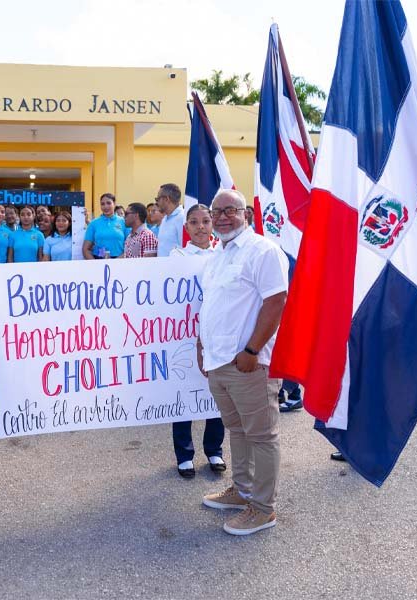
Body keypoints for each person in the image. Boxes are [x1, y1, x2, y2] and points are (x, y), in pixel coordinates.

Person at [198, 189, 288, 536]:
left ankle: (263, 509)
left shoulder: (262, 251)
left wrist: (252, 351)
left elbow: (276, 301)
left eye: (229, 211)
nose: (221, 217)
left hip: (248, 363)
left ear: (245, 213)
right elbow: (215, 304)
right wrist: (201, 344)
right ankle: (242, 490)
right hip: (219, 361)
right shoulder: (218, 255)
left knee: (261, 435)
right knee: (237, 430)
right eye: (215, 211)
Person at [169, 204, 226, 477]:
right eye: (194, 222)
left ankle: (214, 450)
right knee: (184, 392)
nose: (201, 227)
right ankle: (184, 454)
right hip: (185, 334)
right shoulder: (177, 255)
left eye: (205, 221)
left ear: (213, 223)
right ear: (186, 227)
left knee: (217, 394)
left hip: (218, 334)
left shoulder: (224, 252)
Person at [82, 193, 125, 259]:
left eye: (108, 203)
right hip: (99, 261)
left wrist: (116, 262)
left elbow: (130, 247)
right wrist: (95, 264)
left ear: (114, 204)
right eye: (102, 204)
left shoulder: (124, 222)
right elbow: (85, 249)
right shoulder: (94, 223)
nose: (105, 206)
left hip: (120, 261)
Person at [155, 183, 185, 257]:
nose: (156, 203)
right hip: (163, 267)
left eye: (157, 199)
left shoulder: (183, 218)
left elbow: (185, 249)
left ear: (166, 199)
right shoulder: (164, 219)